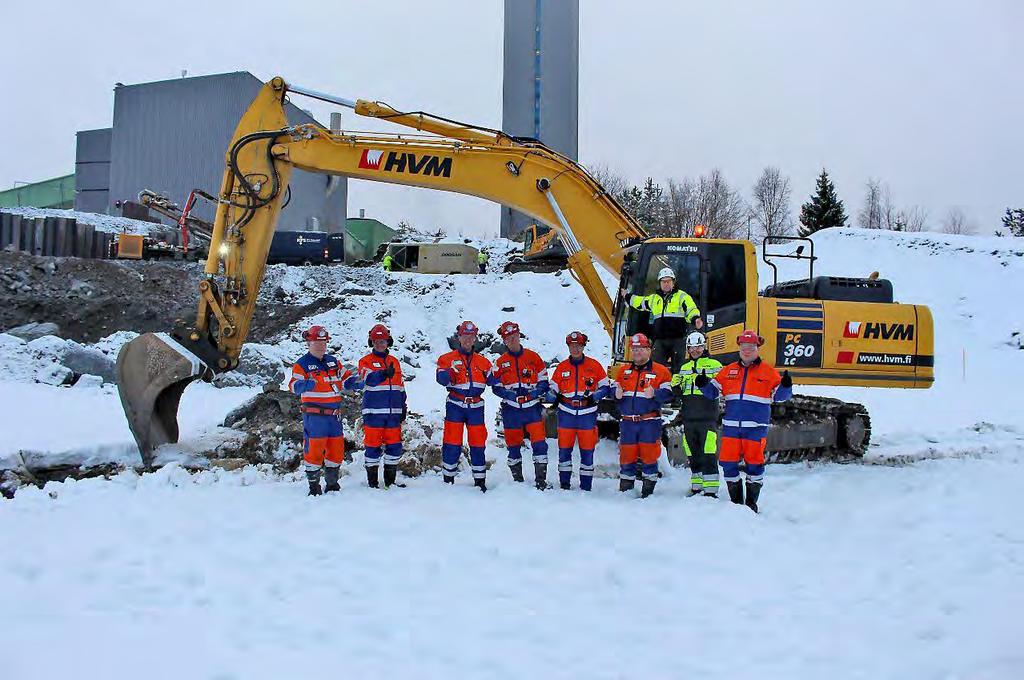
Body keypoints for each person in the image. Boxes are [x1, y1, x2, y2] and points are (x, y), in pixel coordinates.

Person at [696, 329, 792, 512]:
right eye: (744, 347)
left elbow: (780, 396)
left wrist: (786, 386)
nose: (747, 350)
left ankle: (751, 504)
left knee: (755, 465)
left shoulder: (768, 372)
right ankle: (736, 502)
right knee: (728, 464)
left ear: (757, 348)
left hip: (755, 429)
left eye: (751, 347)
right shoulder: (728, 371)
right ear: (739, 348)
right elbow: (713, 392)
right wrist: (703, 384)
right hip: (731, 428)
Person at [288, 325, 362, 496]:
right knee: (314, 450)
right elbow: (292, 386)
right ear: (309, 342)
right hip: (315, 416)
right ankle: (314, 486)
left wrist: (356, 383)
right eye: (316, 342)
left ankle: (332, 483)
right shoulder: (302, 364)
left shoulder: (333, 362)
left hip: (334, 417)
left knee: (336, 450)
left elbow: (346, 380)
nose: (321, 346)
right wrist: (304, 384)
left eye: (323, 342)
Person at [436, 321, 498, 491]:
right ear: (459, 337)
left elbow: (493, 380)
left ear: (475, 338)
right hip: (455, 404)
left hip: (476, 406)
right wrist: (450, 372)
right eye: (465, 336)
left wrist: (497, 375)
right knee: (451, 441)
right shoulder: (447, 358)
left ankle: (479, 480)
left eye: (471, 336)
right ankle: (448, 479)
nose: (468, 340)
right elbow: (441, 379)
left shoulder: (484, 361)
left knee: (478, 442)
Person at [612, 333, 674, 497]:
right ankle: (625, 491)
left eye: (641, 349)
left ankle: (648, 494)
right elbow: (613, 389)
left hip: (649, 423)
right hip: (627, 424)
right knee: (626, 457)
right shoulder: (623, 371)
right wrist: (615, 393)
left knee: (649, 457)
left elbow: (669, 394)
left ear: (649, 350)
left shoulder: (661, 371)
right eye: (634, 349)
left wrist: (655, 393)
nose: (637, 352)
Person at [547, 331, 610, 491]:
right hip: (566, 413)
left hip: (587, 414)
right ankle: (565, 485)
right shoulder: (562, 367)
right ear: (568, 346)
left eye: (578, 346)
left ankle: (586, 487)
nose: (575, 349)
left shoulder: (594, 365)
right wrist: (551, 395)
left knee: (587, 452)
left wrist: (595, 396)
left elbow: (605, 386)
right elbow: (553, 387)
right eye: (572, 346)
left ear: (583, 346)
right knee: (564, 452)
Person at [491, 321, 551, 488]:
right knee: (513, 446)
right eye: (508, 338)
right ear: (504, 341)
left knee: (539, 444)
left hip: (532, 408)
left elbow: (544, 381)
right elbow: (494, 386)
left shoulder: (533, 357)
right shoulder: (500, 362)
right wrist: (508, 394)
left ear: (519, 336)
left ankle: (541, 481)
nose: (512, 340)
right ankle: (518, 482)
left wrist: (534, 393)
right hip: (511, 410)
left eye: (514, 337)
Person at [671, 331, 723, 497]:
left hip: (707, 417)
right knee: (692, 454)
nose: (695, 350)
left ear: (704, 346)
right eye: (691, 347)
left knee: (708, 453)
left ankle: (711, 490)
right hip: (689, 417)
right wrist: (675, 387)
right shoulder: (684, 367)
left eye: (698, 347)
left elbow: (721, 388)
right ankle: (697, 486)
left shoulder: (714, 364)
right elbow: (678, 387)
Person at [625, 267, 702, 374]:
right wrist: (627, 296)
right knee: (655, 369)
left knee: (679, 370)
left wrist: (695, 319)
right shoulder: (654, 299)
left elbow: (691, 309)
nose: (666, 284)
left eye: (669, 281)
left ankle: (676, 389)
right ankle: (656, 389)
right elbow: (639, 302)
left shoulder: (682, 296)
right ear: (660, 283)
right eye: (664, 281)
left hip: (678, 340)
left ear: (673, 282)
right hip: (660, 341)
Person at [357, 324, 407, 489]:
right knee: (372, 447)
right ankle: (372, 483)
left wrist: (403, 406)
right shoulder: (365, 361)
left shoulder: (394, 362)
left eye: (383, 340)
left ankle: (390, 483)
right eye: (376, 341)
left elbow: (400, 387)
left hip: (393, 414)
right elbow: (368, 379)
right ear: (371, 342)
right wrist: (383, 374)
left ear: (388, 341)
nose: (380, 344)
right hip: (373, 413)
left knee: (394, 446)